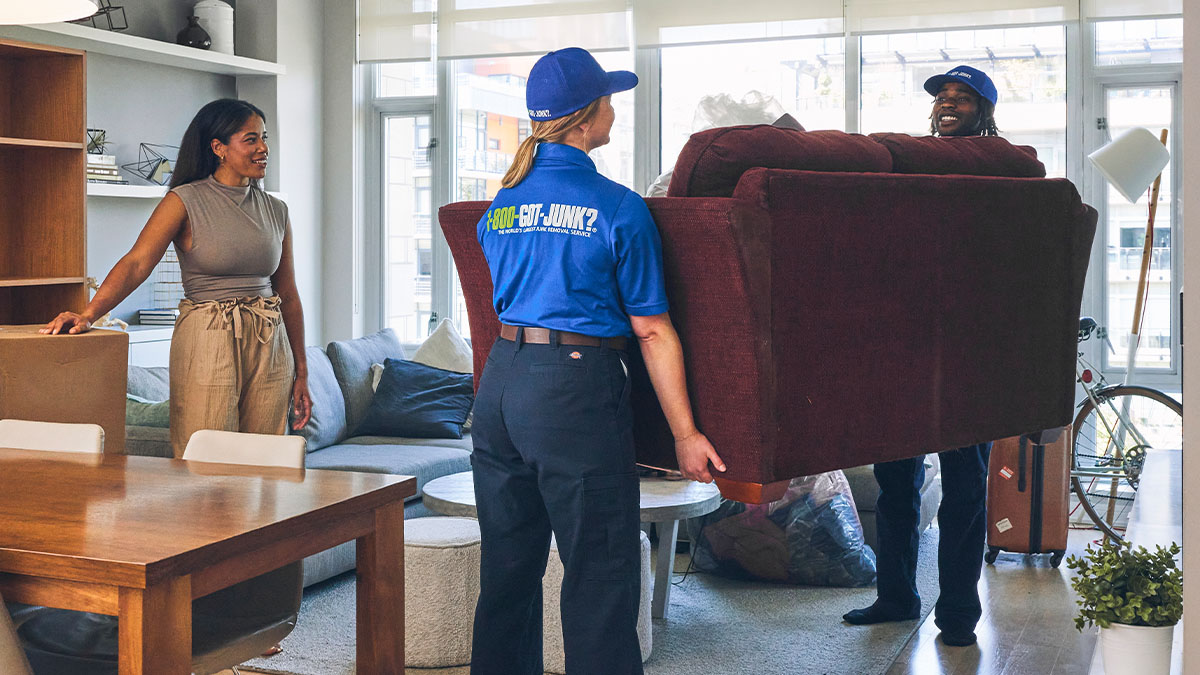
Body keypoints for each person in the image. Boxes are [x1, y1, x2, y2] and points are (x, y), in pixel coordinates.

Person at [469, 47, 725, 675]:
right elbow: (654, 331)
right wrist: (686, 434)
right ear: (584, 119)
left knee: (507, 568)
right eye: (608, 99)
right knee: (601, 571)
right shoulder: (619, 208)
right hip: (572, 391)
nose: (614, 108)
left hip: (500, 385)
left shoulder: (499, 205)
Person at [41, 98, 312, 455]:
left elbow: (288, 293)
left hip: (269, 341)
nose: (263, 148)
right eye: (251, 139)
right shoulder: (184, 201)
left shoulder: (277, 211)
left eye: (264, 138)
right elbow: (137, 263)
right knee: (206, 456)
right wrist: (89, 314)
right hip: (208, 337)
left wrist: (302, 371)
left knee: (265, 461)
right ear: (219, 148)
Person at [842, 65, 999, 648]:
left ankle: (957, 614)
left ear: (985, 112)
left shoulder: (995, 167)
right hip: (901, 348)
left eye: (963, 98)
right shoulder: (906, 165)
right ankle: (896, 595)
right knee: (895, 481)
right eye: (942, 98)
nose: (948, 104)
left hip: (964, 352)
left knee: (964, 484)